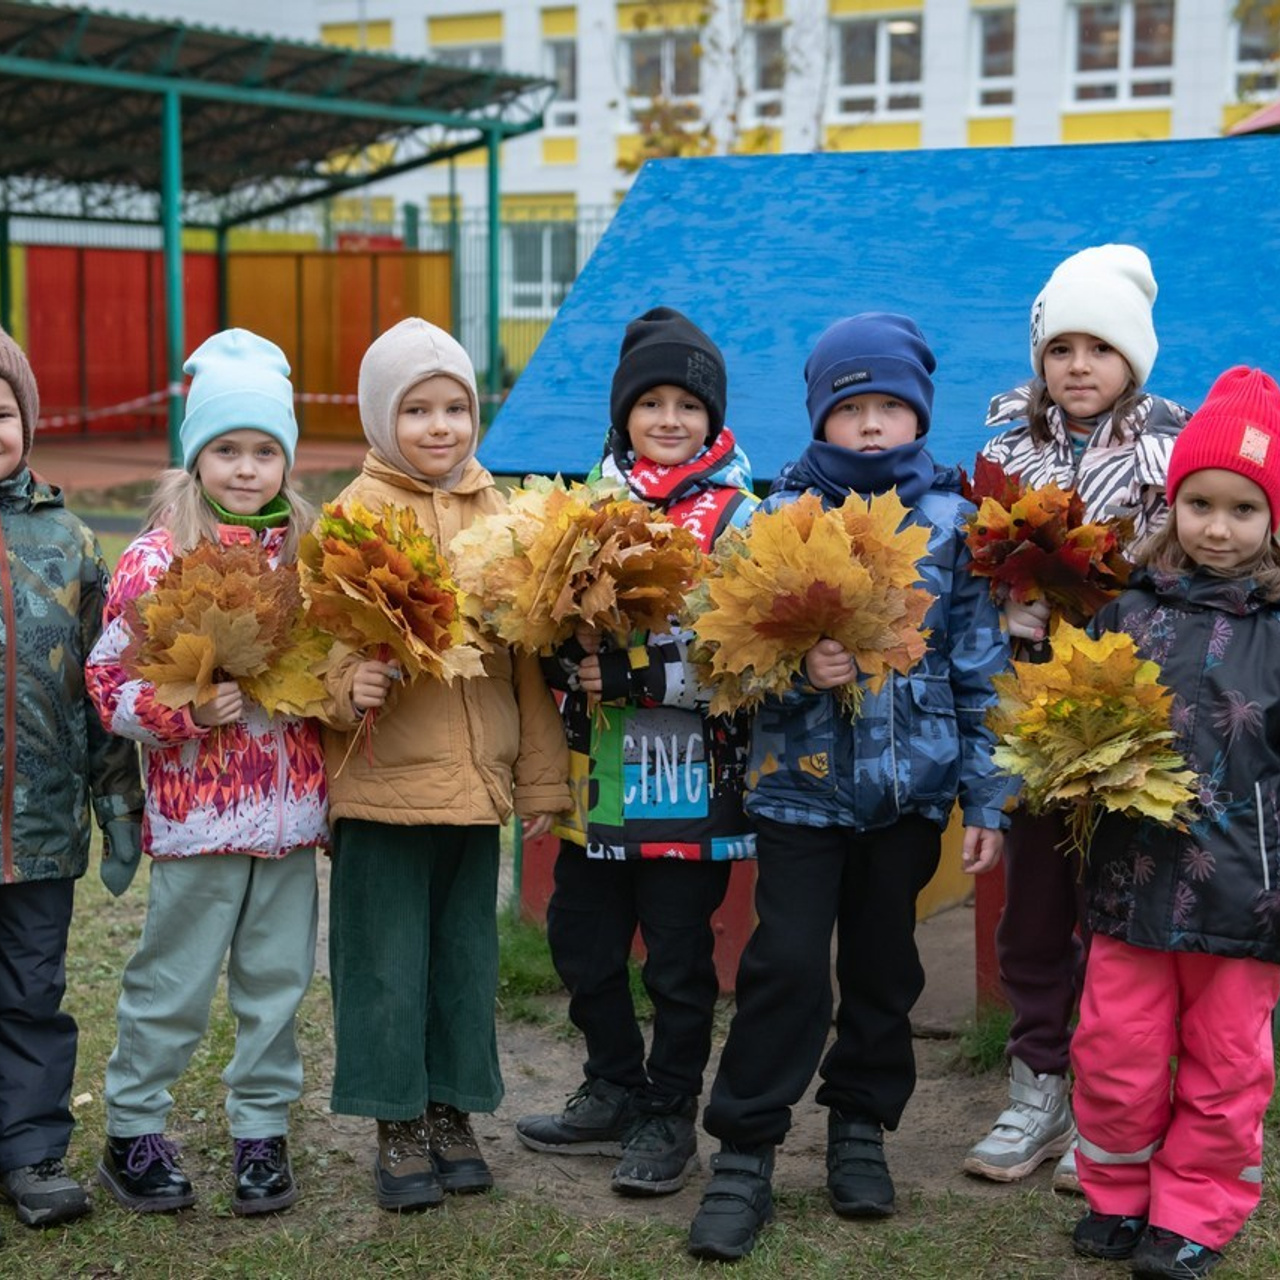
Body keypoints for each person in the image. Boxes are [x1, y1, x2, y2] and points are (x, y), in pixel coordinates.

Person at [686, 313, 1011, 1262]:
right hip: (799, 794)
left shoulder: (952, 522)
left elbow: (978, 668)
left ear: (919, 415)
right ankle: (745, 1148)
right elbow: (722, 660)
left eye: (890, 407)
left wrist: (985, 798)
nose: (871, 425)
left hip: (909, 795)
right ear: (820, 417)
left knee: (884, 966)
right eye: (851, 408)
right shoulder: (776, 515)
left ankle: (859, 1126)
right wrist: (797, 667)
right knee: (784, 963)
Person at [319, 317, 569, 1212]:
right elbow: (315, 647)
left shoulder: (502, 515)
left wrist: (540, 779)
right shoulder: (354, 515)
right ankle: (395, 1123)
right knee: (384, 964)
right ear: (383, 420)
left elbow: (525, 662)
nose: (439, 426)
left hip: (475, 790)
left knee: (462, 962)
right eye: (416, 409)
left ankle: (452, 1110)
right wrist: (349, 685)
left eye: (454, 407)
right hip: (385, 786)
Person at [514, 307, 758, 1197]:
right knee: (581, 942)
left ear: (711, 415)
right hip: (593, 783)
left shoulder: (738, 514)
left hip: (688, 782)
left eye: (685, 403)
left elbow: (748, 653)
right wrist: (556, 656)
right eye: (648, 401)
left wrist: (634, 675)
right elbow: (536, 625)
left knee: (680, 960)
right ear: (622, 416)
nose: (667, 418)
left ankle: (668, 1110)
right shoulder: (577, 509)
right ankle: (613, 1082)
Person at [86, 329, 328, 1217]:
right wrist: (184, 713)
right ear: (197, 456)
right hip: (198, 821)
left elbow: (337, 674)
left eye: (266, 450)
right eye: (227, 448)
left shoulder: (309, 557)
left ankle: (260, 1134)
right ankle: (133, 1129)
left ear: (286, 461)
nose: (247, 467)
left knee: (277, 983)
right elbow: (107, 681)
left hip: (291, 818)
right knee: (174, 983)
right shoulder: (157, 559)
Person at [964, 245, 1189, 1192]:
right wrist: (1002, 605)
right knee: (1035, 909)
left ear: (1133, 359)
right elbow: (969, 561)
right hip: (1030, 716)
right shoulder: (1005, 449)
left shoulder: (1166, 453)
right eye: (1063, 347)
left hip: (1132, 714)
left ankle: (1115, 1099)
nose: (1080, 365)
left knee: (1122, 909)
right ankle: (1039, 1081)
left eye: (1102, 347)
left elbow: (1195, 568)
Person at [1068, 365, 1280, 1279]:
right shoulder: (1129, 610)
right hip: (1131, 881)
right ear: (1174, 504)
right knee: (1116, 1049)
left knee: (1226, 1063)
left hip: (1245, 898)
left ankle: (1194, 1208)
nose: (1219, 527)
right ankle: (1116, 1193)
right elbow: (1077, 721)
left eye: (1244, 507)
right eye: (1201, 503)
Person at [0, 330, 143, 1233]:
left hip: (40, 829)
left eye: (0, 411)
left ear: (27, 420)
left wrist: (118, 802)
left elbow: (103, 685)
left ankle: (31, 1150)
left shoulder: (69, 540)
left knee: (30, 992)